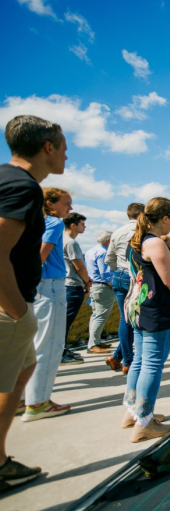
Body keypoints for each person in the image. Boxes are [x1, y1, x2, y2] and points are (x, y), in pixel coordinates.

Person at [0, 115, 66, 490]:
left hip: (14, 303)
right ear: (47, 148)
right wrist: (18, 310)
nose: (66, 158)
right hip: (10, 306)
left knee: (23, 369)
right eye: (64, 149)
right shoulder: (23, 188)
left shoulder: (7, 179)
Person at [122, 197, 170, 442]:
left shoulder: (138, 241)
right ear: (165, 218)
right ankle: (144, 421)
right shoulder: (155, 244)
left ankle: (134, 411)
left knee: (140, 361)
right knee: (152, 364)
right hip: (157, 310)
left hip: (140, 308)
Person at [22, 187, 74, 422]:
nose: (70, 208)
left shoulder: (30, 221)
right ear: (51, 204)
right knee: (50, 345)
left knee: (30, 346)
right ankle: (37, 402)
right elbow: (40, 257)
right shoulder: (54, 224)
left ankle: (22, 398)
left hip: (34, 288)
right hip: (50, 286)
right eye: (66, 203)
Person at [107, 202, 145, 374]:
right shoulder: (139, 231)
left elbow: (109, 258)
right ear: (141, 214)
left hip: (118, 275)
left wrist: (119, 269)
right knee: (131, 318)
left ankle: (117, 356)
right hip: (133, 276)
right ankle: (128, 361)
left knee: (126, 317)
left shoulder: (117, 232)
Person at [62, 212, 94, 356]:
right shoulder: (71, 242)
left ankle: (61, 350)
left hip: (63, 283)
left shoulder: (60, 239)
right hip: (73, 285)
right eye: (82, 224)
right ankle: (61, 351)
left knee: (62, 320)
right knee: (66, 321)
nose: (85, 227)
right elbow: (79, 266)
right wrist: (87, 282)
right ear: (73, 225)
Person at [85, 231, 117, 364]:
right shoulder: (104, 253)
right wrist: (115, 284)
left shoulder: (90, 251)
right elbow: (105, 273)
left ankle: (95, 341)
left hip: (95, 285)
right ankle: (93, 345)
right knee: (100, 315)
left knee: (96, 315)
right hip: (103, 286)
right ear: (108, 240)